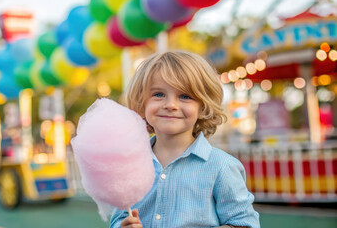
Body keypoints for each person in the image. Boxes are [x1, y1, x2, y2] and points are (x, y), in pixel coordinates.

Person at [110, 51, 260, 228]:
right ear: (142, 103)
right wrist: (122, 225)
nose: (171, 105)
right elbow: (118, 218)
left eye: (185, 96)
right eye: (159, 94)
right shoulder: (129, 166)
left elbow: (244, 223)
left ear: (203, 106)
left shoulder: (221, 166)